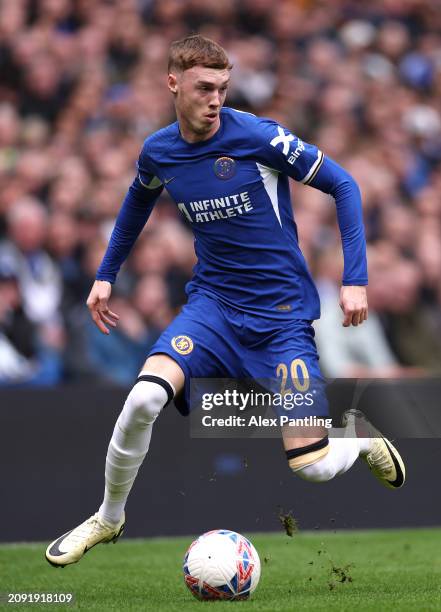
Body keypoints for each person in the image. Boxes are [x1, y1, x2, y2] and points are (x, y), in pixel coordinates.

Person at [46, 35, 405, 568]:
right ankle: (108, 517)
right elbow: (134, 206)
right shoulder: (159, 151)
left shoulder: (258, 136)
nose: (215, 99)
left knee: (311, 465)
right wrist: (105, 276)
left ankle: (356, 440)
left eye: (223, 88)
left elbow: (345, 184)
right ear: (174, 83)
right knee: (144, 398)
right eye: (204, 87)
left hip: (282, 319)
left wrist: (356, 278)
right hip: (212, 307)